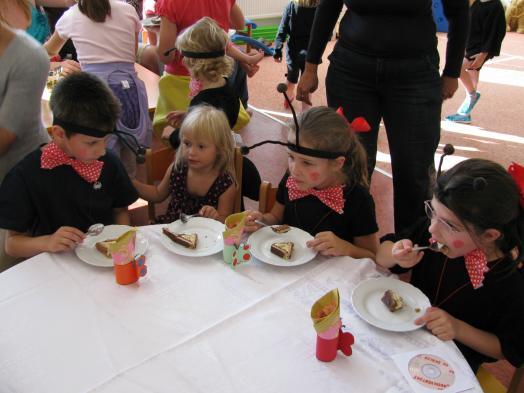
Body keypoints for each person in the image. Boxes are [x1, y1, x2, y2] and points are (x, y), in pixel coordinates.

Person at [296, 0, 470, 233]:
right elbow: (328, 6)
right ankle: (349, 243)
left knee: (413, 168)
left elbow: (459, 12)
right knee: (349, 164)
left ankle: (409, 247)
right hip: (351, 70)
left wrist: (452, 72)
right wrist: (310, 67)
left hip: (414, 72)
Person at [375, 158, 524, 373]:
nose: (432, 229)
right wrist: (395, 255)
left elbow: (507, 349)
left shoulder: (512, 282)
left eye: (449, 225)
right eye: (432, 212)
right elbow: (380, 255)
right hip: (405, 335)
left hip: (452, 365)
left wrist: (457, 328)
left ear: (490, 235)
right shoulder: (435, 233)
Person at [0, 72, 139, 260]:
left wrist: (122, 243)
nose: (102, 152)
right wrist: (47, 242)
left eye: (105, 141)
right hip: (55, 267)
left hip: (104, 262)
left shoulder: (109, 163)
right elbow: (12, 244)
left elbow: (120, 210)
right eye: (91, 143)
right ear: (59, 134)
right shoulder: (25, 176)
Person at [245, 107, 379, 259]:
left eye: (307, 163)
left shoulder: (358, 199)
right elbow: (275, 218)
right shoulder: (291, 179)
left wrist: (345, 248)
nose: (294, 169)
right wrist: (260, 221)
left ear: (337, 163)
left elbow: (373, 256)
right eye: (291, 157)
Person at [44, 0, 152, 178]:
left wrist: (58, 65)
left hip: (95, 95)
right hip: (130, 92)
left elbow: (48, 51)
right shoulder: (128, 11)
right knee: (130, 161)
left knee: (100, 160)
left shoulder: (71, 16)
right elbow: (131, 56)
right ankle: (125, 200)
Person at [160, 16, 261, 205]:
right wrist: (189, 116)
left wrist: (174, 135)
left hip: (213, 181)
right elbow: (213, 121)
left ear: (192, 62)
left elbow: (202, 141)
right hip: (222, 160)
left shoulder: (204, 100)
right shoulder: (224, 87)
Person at [152, 0, 263, 139]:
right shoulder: (226, 91)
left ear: (189, 60)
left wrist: (157, 33)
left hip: (179, 80)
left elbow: (165, 56)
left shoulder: (169, 2)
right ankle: (242, 111)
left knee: (165, 85)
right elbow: (240, 24)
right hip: (216, 74)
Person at [133, 105, 236, 224]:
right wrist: (131, 182)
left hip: (205, 236)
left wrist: (215, 216)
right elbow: (157, 194)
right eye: (187, 143)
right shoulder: (178, 168)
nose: (191, 152)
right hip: (171, 229)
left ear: (219, 149)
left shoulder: (225, 183)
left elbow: (224, 221)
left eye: (201, 147)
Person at [446, 0, 506, 124]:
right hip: (470, 45)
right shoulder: (476, 3)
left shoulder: (496, 6)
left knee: (459, 69)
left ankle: (472, 95)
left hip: (480, 49)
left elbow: (497, 32)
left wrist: (484, 54)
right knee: (472, 77)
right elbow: (469, 25)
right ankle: (466, 114)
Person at [273, 0, 318, 111]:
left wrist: (277, 50)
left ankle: (288, 99)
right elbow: (326, 32)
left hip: (293, 50)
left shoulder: (291, 6)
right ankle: (306, 109)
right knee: (307, 79)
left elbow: (282, 29)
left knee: (291, 78)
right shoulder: (320, 7)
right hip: (311, 52)